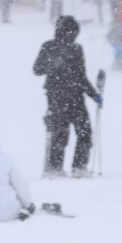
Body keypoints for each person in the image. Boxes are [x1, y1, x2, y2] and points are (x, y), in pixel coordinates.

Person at [33, 16, 102, 178]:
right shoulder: (49, 47)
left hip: (72, 96)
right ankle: (57, 168)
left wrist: (95, 95)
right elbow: (37, 69)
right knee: (63, 132)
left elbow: (81, 76)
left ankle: (75, 167)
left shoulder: (76, 49)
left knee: (80, 131)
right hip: (59, 96)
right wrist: (52, 64)